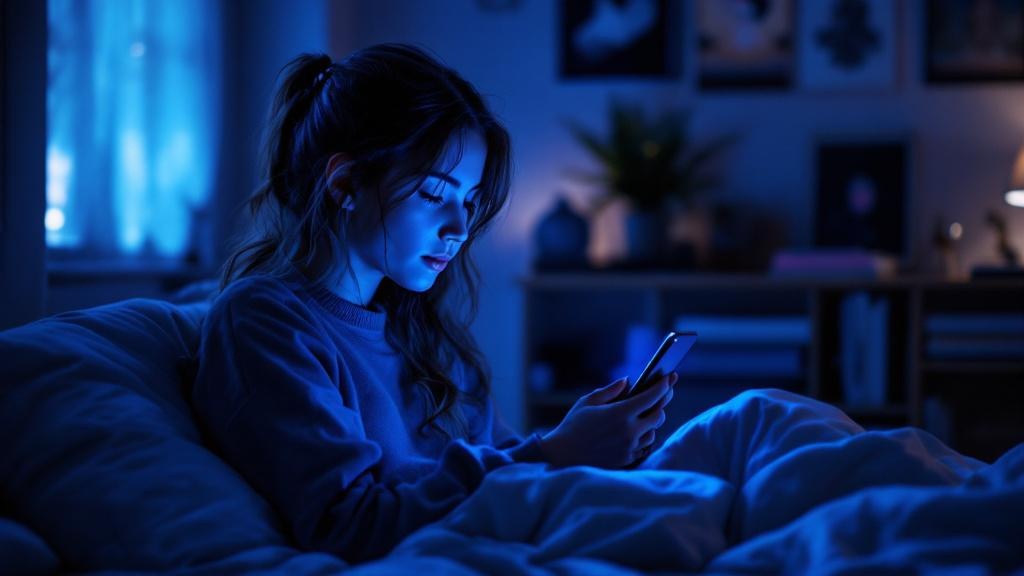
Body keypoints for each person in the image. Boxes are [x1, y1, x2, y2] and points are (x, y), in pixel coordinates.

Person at [190, 43, 676, 564]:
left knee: (748, 422)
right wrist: (555, 453)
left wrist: (588, 448)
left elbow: (508, 464)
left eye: (469, 202)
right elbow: (350, 525)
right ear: (346, 183)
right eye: (433, 194)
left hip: (528, 534)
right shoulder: (265, 321)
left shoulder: (424, 336)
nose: (461, 229)